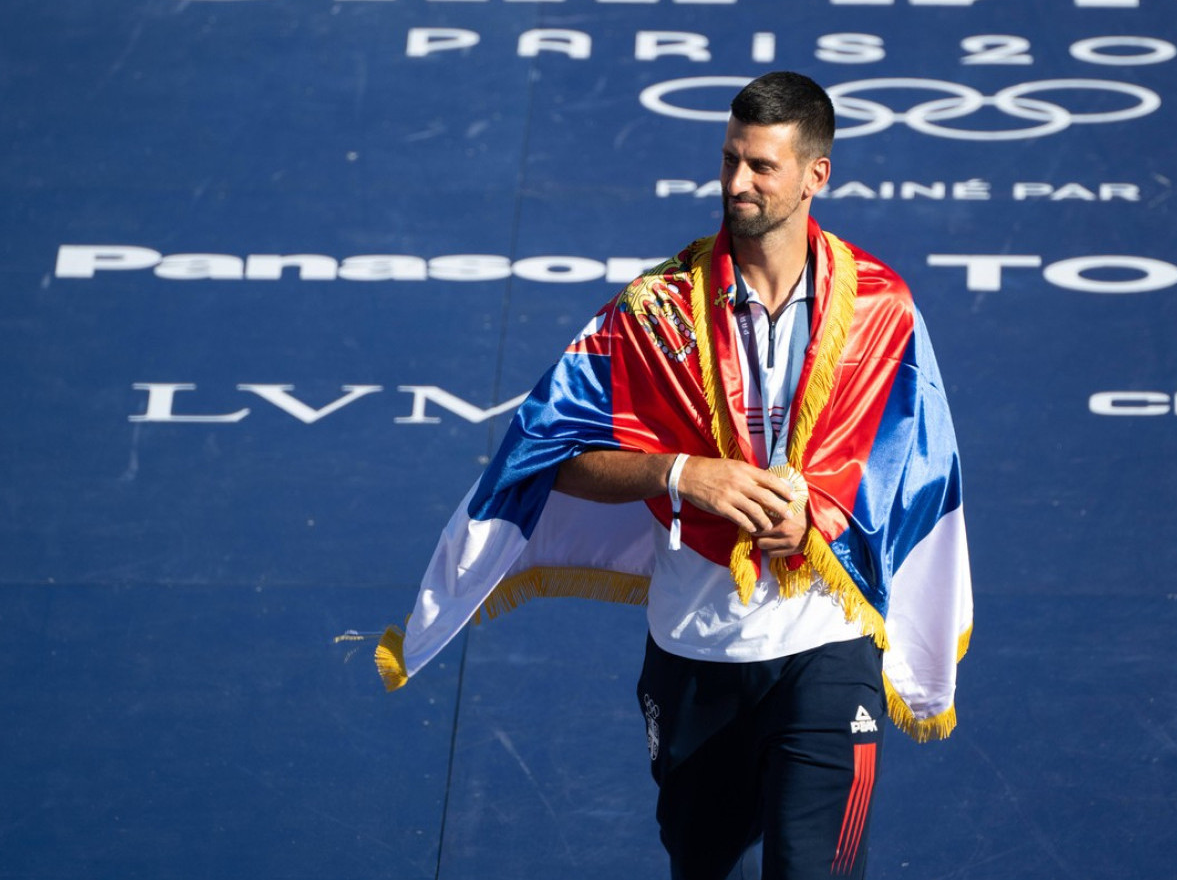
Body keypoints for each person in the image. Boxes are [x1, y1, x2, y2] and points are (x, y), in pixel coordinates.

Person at [376, 71, 972, 880]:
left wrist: (824, 513)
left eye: (761, 166)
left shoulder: (881, 306)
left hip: (825, 642)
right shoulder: (652, 309)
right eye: (729, 159)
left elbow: (917, 467)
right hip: (697, 648)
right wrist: (679, 472)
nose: (736, 183)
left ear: (815, 176)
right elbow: (550, 453)